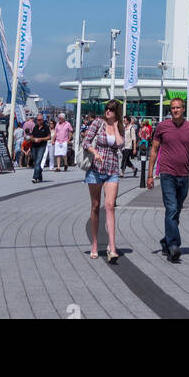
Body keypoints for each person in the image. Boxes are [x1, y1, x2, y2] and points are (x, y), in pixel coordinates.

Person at [146, 97, 189, 263]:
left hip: (183, 175)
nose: (175, 110)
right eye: (173, 108)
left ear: (183, 109)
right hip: (167, 174)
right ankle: (174, 246)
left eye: (178, 107)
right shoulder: (162, 127)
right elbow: (153, 151)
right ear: (170, 110)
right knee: (171, 208)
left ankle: (166, 241)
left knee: (177, 210)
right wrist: (150, 175)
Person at [83, 101, 124, 262]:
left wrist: (114, 127)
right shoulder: (97, 123)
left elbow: (121, 145)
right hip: (95, 170)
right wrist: (95, 152)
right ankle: (94, 243)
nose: (108, 111)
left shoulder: (118, 126)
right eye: (106, 108)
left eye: (112, 109)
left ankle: (112, 247)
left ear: (116, 112)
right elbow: (85, 142)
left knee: (110, 206)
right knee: (95, 206)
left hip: (112, 170)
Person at [29, 113, 50, 182]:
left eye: (40, 120)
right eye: (37, 120)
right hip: (34, 146)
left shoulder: (46, 127)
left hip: (42, 146)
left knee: (38, 162)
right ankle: (40, 175)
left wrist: (41, 139)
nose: (39, 121)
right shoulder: (35, 127)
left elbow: (49, 137)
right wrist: (32, 139)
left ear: (43, 120)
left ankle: (35, 177)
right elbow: (31, 136)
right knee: (36, 162)